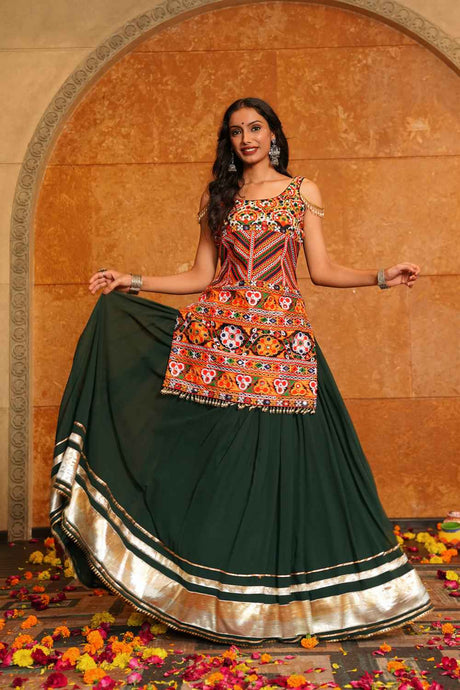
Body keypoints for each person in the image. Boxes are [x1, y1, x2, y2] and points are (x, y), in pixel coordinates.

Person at [50, 97, 431, 645]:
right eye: (236, 131)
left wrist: (381, 276)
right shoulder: (218, 196)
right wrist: (131, 281)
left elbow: (321, 270)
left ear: (273, 134)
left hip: (281, 350)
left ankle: (297, 598)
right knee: (222, 474)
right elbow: (202, 275)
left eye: (255, 127)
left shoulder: (302, 192)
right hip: (219, 349)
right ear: (228, 141)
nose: (247, 138)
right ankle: (212, 600)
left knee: (291, 472)